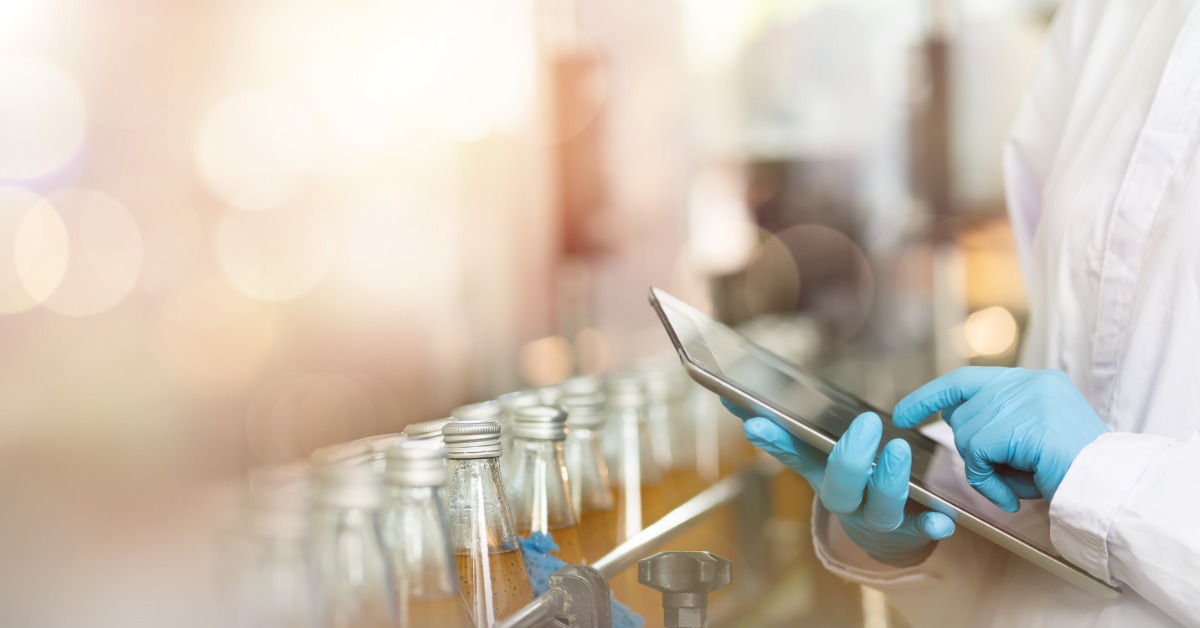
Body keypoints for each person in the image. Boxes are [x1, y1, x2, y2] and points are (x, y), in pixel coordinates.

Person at [734, 1, 1200, 625]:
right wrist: (929, 535)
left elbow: (1088, 482)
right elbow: (1055, 535)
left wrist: (1109, 482)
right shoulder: (1105, 18)